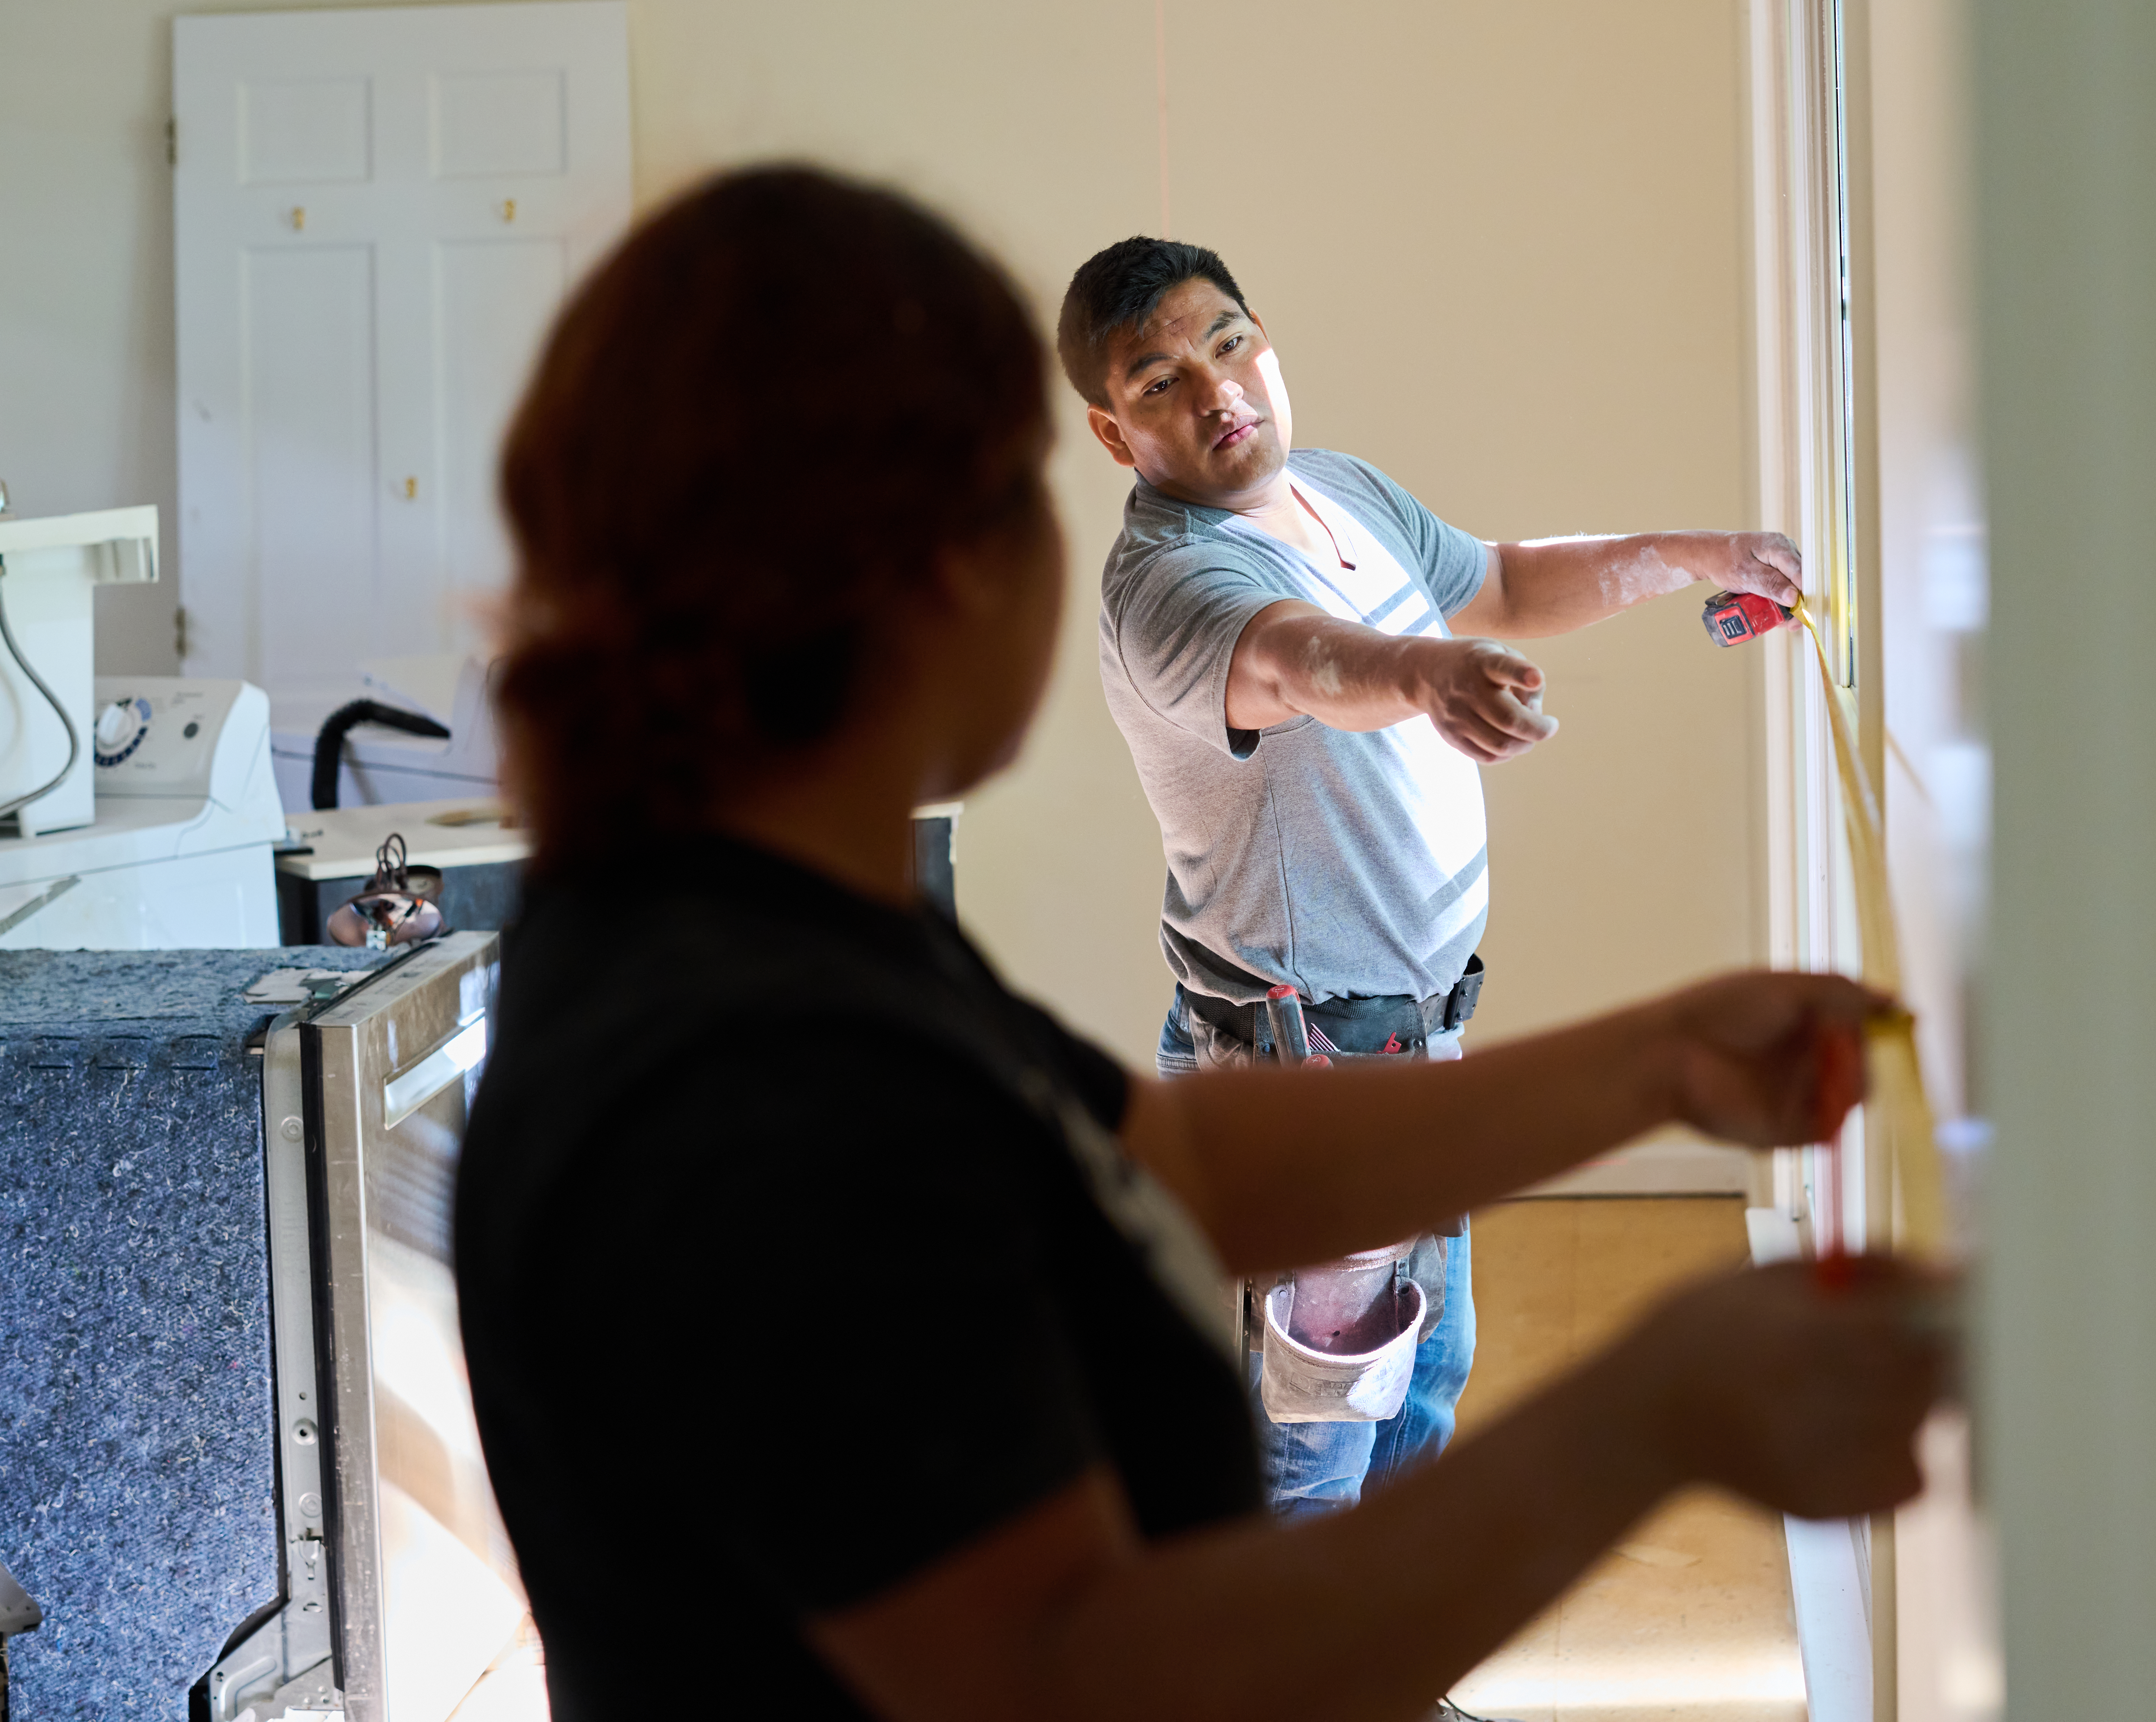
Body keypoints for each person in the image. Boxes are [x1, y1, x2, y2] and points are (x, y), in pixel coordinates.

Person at [453, 166, 1947, 1722]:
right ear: (943, 560)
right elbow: (1092, 1677)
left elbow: (1172, 1167)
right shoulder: (762, 1083)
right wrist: (1662, 1411)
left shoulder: (736, 935)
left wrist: (1664, 1063)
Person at [1067, 236, 1810, 1515]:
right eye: (1160, 383)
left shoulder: (1337, 488)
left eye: (1229, 344)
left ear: (1264, 341)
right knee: (1308, 1462)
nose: (1217, 392)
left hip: (1408, 1052)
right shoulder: (1171, 584)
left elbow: (1503, 583)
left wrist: (1697, 554)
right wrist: (1427, 673)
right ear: (1112, 430)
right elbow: (1305, 662)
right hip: (1303, 1079)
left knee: (1419, 1395)